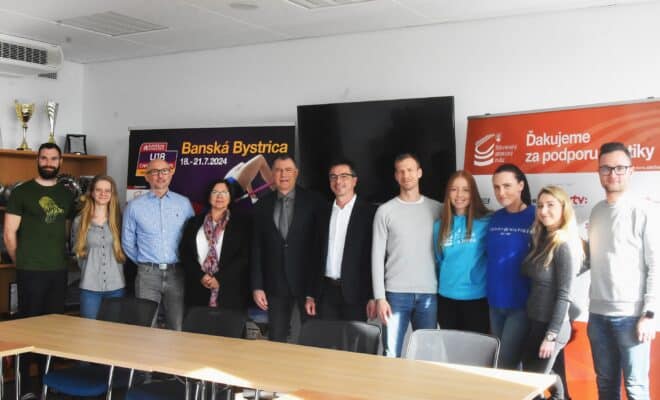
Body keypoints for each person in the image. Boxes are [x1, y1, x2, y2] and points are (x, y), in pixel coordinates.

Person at [3, 142, 76, 398]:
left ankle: (49, 383)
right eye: (44, 158)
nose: (48, 163)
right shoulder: (22, 192)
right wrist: (22, 261)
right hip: (30, 271)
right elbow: (9, 233)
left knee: (53, 330)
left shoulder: (66, 195)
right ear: (37, 160)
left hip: (58, 270)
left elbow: (67, 230)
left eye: (53, 159)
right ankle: (25, 388)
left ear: (60, 162)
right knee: (28, 329)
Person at [587, 142, 658, 400]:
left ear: (631, 170)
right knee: (605, 385)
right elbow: (594, 259)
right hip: (597, 316)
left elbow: (656, 265)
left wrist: (649, 314)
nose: (612, 174)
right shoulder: (596, 211)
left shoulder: (645, 210)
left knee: (636, 389)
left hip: (631, 317)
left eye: (619, 168)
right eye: (606, 168)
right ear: (599, 172)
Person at [372, 153, 442, 357]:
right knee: (390, 353)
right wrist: (379, 297)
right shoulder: (385, 211)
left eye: (410, 170)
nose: (406, 175)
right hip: (395, 294)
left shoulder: (437, 209)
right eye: (401, 171)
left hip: (429, 293)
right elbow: (376, 257)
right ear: (396, 176)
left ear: (419, 173)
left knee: (426, 354)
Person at [521, 185, 583, 400]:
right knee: (552, 383)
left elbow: (565, 294)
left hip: (552, 327)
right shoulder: (541, 239)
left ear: (563, 208)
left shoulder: (564, 244)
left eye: (550, 205)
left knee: (531, 385)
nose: (543, 211)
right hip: (535, 322)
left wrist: (551, 336)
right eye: (540, 206)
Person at [251, 154, 322, 342]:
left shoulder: (314, 202)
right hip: (275, 284)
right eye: (278, 170)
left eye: (288, 170)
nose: (283, 175)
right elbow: (257, 248)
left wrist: (315, 289)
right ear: (272, 174)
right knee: (277, 338)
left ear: (296, 173)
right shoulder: (261, 206)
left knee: (312, 338)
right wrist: (257, 286)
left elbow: (320, 247)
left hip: (307, 283)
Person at [122, 159, 194, 330]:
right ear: (147, 177)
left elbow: (192, 237)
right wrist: (145, 263)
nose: (160, 176)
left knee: (177, 326)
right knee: (146, 326)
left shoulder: (184, 204)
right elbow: (127, 242)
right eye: (154, 172)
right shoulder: (134, 206)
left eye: (164, 171)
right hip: (147, 274)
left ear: (170, 174)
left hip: (176, 273)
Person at [305, 159, 377, 321]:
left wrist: (373, 296)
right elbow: (314, 254)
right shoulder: (322, 212)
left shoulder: (370, 213)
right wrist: (311, 294)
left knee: (353, 337)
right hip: (325, 293)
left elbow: (375, 257)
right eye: (333, 177)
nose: (338, 181)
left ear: (354, 180)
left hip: (357, 294)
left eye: (344, 176)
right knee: (327, 337)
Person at [487, 163, 535, 369]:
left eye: (507, 186)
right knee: (502, 362)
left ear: (520, 185)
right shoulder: (495, 217)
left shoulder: (536, 216)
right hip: (495, 303)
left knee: (505, 362)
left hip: (521, 305)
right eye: (497, 187)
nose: (501, 192)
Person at [179, 179, 250, 312]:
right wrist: (201, 276)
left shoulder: (241, 224)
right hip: (198, 288)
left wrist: (220, 278)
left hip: (230, 291)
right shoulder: (194, 222)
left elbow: (244, 257)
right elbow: (185, 253)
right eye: (215, 192)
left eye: (224, 192)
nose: (219, 196)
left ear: (230, 196)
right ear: (209, 196)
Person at [432, 170, 490, 333]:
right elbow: (439, 258)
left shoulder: (486, 222)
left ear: (473, 193)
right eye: (454, 189)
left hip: (476, 298)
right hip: (446, 298)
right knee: (451, 347)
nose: (459, 195)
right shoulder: (439, 225)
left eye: (465, 190)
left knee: (476, 348)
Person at [72, 175, 126, 319]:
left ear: (112, 194)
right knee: (88, 329)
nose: (103, 194)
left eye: (107, 190)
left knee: (113, 330)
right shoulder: (79, 221)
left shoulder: (120, 220)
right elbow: (77, 253)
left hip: (116, 286)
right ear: (91, 192)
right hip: (89, 288)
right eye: (98, 190)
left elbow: (128, 248)